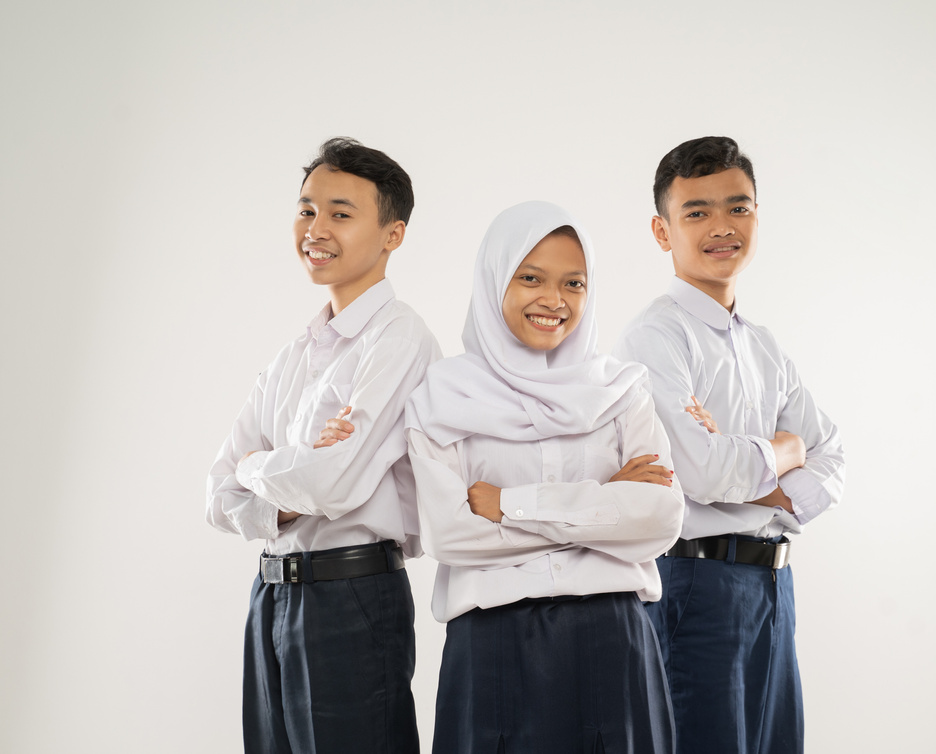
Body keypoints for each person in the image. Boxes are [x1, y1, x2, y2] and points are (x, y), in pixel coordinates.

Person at [405, 201, 684, 753]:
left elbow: (661, 519)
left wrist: (511, 505)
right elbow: (449, 534)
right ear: (494, 280)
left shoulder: (621, 389)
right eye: (530, 278)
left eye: (573, 283)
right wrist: (605, 505)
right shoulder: (443, 395)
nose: (554, 300)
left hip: (614, 637)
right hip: (492, 644)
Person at [206, 137, 440, 754]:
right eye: (307, 210)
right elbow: (217, 495)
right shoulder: (293, 355)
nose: (316, 229)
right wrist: (282, 476)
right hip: (271, 595)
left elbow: (328, 484)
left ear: (392, 234)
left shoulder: (399, 338)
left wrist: (257, 466)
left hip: (350, 595)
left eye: (341, 213)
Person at [614, 136, 845, 754]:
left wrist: (748, 463)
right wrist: (786, 450)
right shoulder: (656, 337)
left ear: (756, 216)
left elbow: (834, 457)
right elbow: (702, 472)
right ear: (662, 231)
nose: (722, 226)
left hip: (774, 587)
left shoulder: (764, 345)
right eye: (697, 212)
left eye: (738, 207)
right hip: (696, 584)